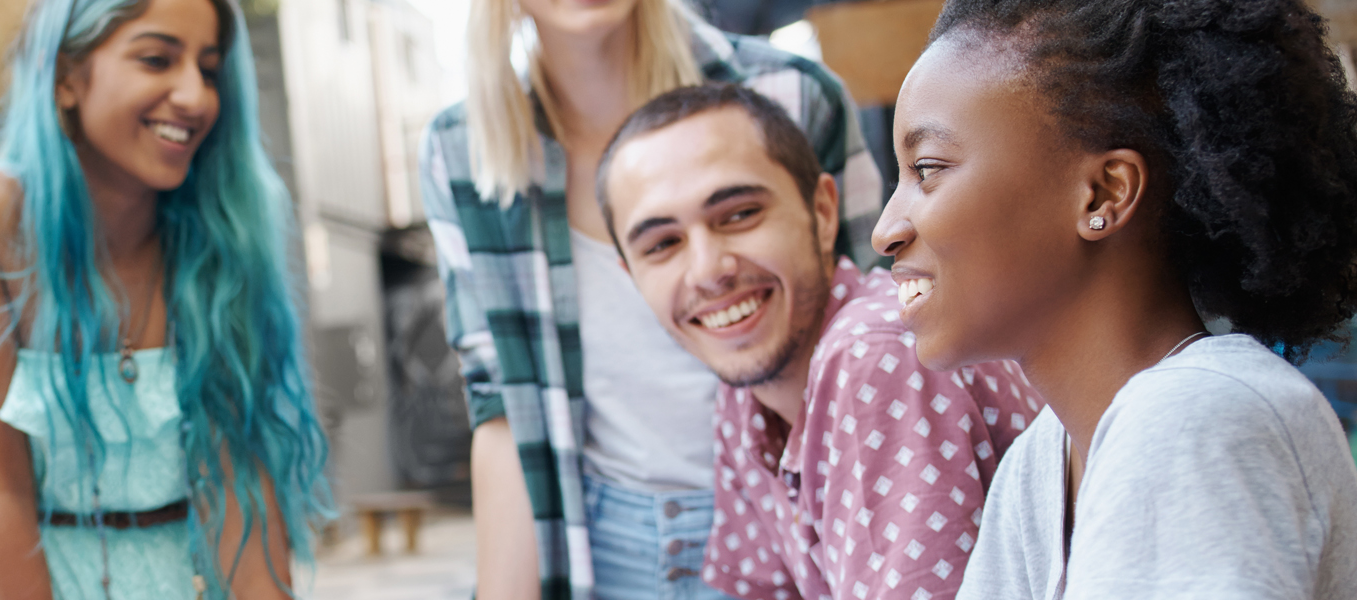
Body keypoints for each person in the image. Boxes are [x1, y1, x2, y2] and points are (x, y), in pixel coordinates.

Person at [871, 0, 1357, 597]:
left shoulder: (1197, 420)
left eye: (928, 169)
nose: (886, 231)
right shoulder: (1040, 463)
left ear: (1103, 195)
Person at [420, 0, 883, 596]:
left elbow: (877, 321)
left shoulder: (790, 93)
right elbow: (502, 405)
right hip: (605, 539)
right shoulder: (464, 148)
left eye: (737, 213)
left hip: (801, 519)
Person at [0, 0, 329, 597]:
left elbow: (241, 488)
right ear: (65, 77)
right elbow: (1, 492)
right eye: (158, 59)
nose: (193, 96)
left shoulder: (232, 226)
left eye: (209, 70)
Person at [596, 83, 1036, 600]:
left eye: (739, 215)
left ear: (824, 212)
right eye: (663, 244)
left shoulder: (877, 352)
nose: (708, 271)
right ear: (631, 277)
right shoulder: (747, 386)